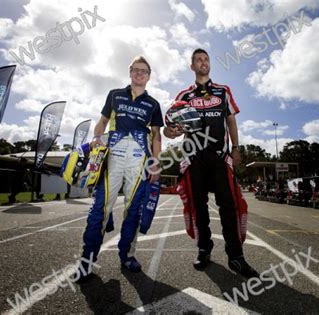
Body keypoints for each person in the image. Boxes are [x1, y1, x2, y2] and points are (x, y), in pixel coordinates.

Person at [164, 48, 258, 278]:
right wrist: (171, 131)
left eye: (206, 59)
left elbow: (231, 121)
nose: (203, 62)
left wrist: (236, 148)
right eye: (198, 60)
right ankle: (204, 249)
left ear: (209, 64)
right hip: (193, 158)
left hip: (219, 156)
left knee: (228, 206)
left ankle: (235, 256)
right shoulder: (183, 95)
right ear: (192, 66)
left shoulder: (223, 90)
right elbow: (169, 130)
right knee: (199, 207)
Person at [76, 56, 163, 283]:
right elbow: (102, 121)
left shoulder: (153, 104)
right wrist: (96, 137)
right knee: (100, 208)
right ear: (130, 72)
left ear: (149, 75)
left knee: (133, 210)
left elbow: (156, 135)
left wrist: (155, 162)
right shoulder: (115, 94)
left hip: (138, 156)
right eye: (136, 70)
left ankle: (127, 256)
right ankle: (87, 260)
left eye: (144, 71)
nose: (139, 74)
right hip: (113, 154)